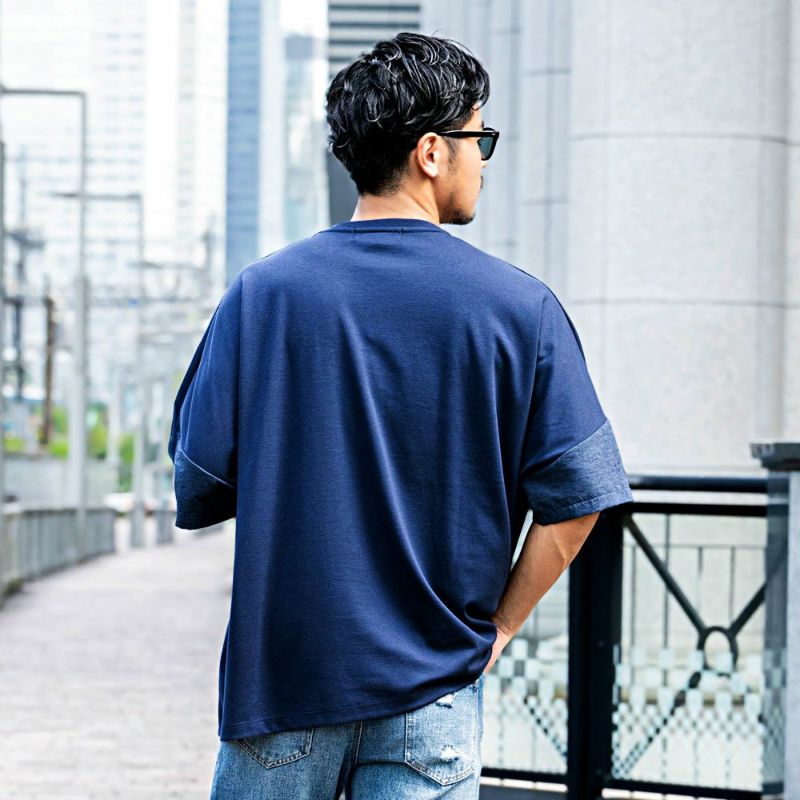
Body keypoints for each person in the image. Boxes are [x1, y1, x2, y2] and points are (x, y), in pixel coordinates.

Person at [168, 31, 634, 800]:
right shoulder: (520, 309)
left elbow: (199, 480)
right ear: (431, 152)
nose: (484, 160)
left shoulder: (263, 295)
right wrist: (501, 628)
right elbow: (579, 498)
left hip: (284, 683)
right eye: (479, 139)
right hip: (433, 689)